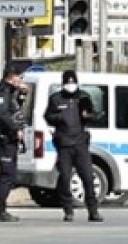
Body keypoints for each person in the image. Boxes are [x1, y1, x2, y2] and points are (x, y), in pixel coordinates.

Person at [44, 70, 102, 223]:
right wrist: (59, 117)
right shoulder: (56, 98)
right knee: (64, 178)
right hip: (64, 144)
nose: (71, 85)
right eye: (68, 82)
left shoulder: (83, 97)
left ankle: (93, 211)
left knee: (88, 178)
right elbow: (48, 116)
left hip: (81, 143)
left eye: (73, 82)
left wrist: (88, 116)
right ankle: (68, 210)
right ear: (63, 84)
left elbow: (95, 115)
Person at [0, 66, 26, 222]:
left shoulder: (11, 92)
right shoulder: (2, 92)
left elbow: (14, 111)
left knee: (10, 176)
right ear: (11, 76)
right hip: (5, 139)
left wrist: (22, 95)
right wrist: (15, 128)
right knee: (6, 175)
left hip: (10, 139)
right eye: (19, 77)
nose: (21, 80)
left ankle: (1, 209)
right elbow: (2, 114)